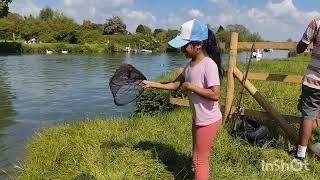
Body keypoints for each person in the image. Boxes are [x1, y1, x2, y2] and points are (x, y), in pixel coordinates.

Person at [141, 19, 223, 180]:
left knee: (200, 160)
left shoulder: (209, 65)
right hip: (198, 119)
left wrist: (192, 87)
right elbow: (173, 85)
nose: (181, 50)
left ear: (198, 44)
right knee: (197, 156)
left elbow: (215, 95)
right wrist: (151, 84)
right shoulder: (189, 66)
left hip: (209, 120)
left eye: (184, 46)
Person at [295, 15, 320, 161]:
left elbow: (300, 48)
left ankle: (300, 155)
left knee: (309, 116)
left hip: (314, 80)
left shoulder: (316, 22)